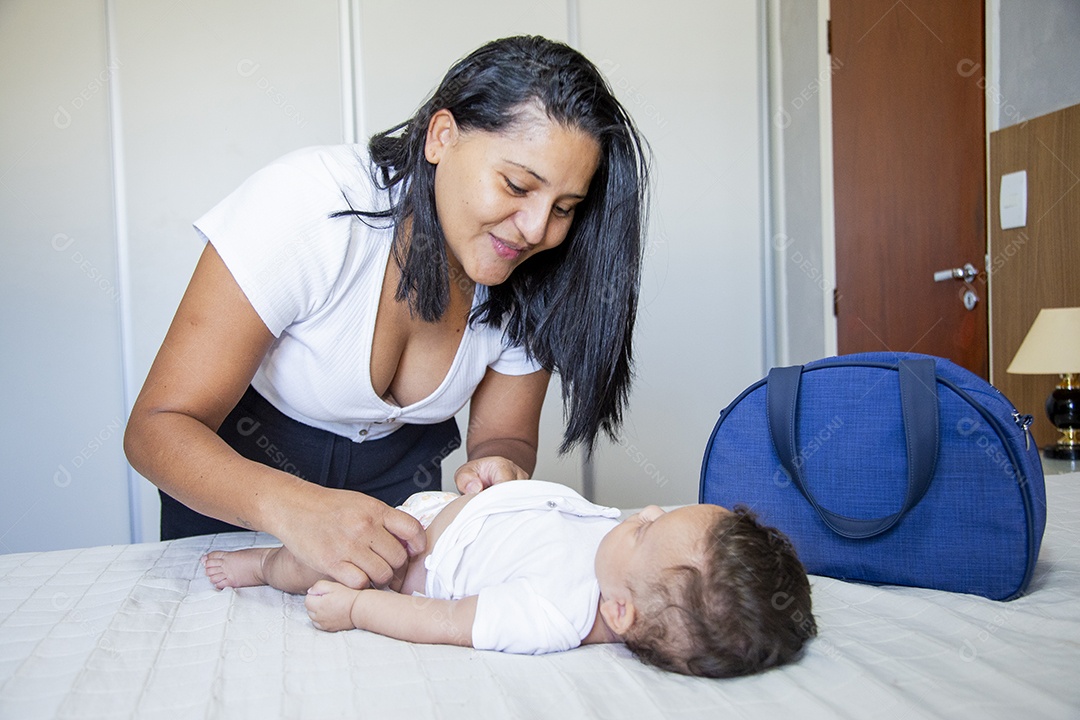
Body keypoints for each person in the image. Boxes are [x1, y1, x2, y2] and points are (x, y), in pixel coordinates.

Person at [123, 36, 650, 591]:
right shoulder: (307, 206)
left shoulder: (537, 269)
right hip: (235, 495)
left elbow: (504, 439)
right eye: (517, 185)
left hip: (386, 519)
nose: (538, 229)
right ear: (442, 137)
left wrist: (499, 466)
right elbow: (155, 430)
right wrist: (298, 510)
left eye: (565, 208)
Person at [202, 480, 817, 678]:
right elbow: (545, 516)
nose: (644, 513)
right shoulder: (617, 558)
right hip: (441, 507)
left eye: (645, 531)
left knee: (311, 558)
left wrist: (357, 611)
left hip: (393, 557)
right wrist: (499, 481)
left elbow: (445, 623)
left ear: (621, 612)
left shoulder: (555, 613)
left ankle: (260, 565)